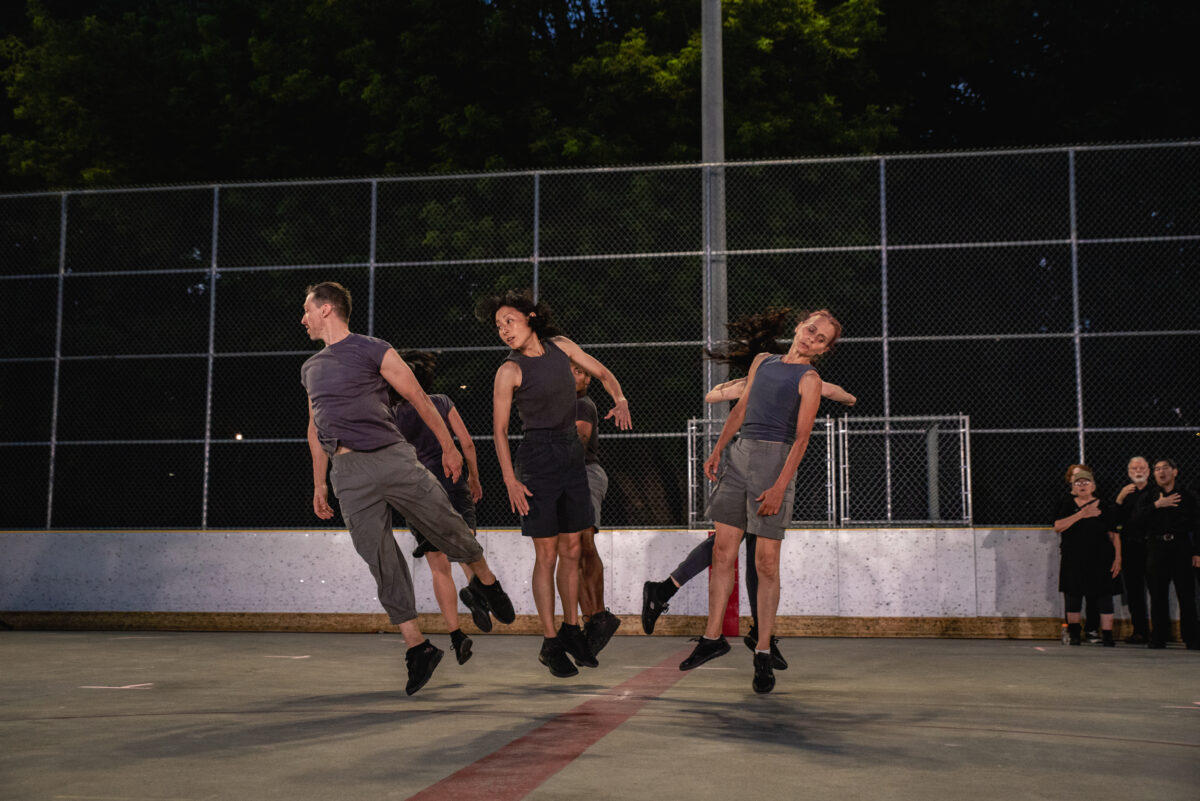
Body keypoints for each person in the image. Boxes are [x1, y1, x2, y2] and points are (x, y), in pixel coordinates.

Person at [301, 281, 514, 695]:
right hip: (347, 473)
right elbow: (315, 428)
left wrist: (451, 449)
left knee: (447, 526)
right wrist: (319, 482)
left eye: (307, 309)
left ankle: (486, 581)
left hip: (392, 458)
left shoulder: (373, 348)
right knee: (379, 559)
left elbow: (417, 396)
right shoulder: (310, 368)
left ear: (326, 309)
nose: (303, 318)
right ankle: (418, 648)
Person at [643, 307, 856, 675]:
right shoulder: (763, 361)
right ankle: (712, 640)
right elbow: (740, 409)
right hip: (739, 456)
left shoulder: (808, 378)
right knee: (723, 553)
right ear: (799, 327)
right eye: (810, 330)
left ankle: (762, 652)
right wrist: (717, 449)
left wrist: (778, 487)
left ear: (824, 350)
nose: (811, 338)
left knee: (766, 564)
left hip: (775, 462)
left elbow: (803, 438)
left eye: (821, 339)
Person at [477, 289, 632, 678]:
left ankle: (570, 627)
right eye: (498, 327)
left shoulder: (561, 347)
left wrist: (620, 397)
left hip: (570, 455)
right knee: (546, 555)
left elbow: (603, 372)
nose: (503, 331)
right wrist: (510, 479)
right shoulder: (509, 371)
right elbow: (498, 430)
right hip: (537, 456)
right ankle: (550, 642)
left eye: (508, 321)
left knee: (575, 547)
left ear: (530, 317)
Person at [390, 350, 498, 665]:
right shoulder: (441, 401)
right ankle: (477, 593)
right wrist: (474, 477)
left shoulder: (393, 413)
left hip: (419, 490)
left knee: (439, 567)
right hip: (453, 482)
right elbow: (466, 442)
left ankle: (456, 634)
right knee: (465, 549)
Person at [572, 360, 621, 655]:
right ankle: (590, 620)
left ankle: (599, 614)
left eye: (582, 372)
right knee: (571, 552)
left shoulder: (582, 405)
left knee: (584, 543)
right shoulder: (558, 404)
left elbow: (578, 445)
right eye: (572, 370)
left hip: (585, 473)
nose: (577, 376)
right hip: (566, 477)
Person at [1051, 464, 1122, 646]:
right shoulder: (1067, 504)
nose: (1082, 485)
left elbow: (1114, 534)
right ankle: (1075, 633)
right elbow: (1058, 526)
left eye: (1086, 482)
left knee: (1104, 595)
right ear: (1073, 486)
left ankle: (1106, 635)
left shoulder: (1105, 506)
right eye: (1078, 482)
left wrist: (1118, 558)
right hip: (1074, 557)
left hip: (1100, 557)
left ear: (1093, 486)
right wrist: (1082, 514)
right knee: (1073, 594)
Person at [1137, 458, 1199, 649]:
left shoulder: (1187, 496)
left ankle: (1192, 638)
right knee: (1157, 595)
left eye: (1165, 468)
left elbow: (1197, 524)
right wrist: (1158, 505)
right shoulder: (1149, 496)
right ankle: (1159, 637)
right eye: (1157, 469)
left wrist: (1197, 551)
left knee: (1186, 595)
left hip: (1181, 547)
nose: (1161, 472)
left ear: (1175, 472)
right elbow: (1135, 521)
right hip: (1156, 547)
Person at [1114, 456, 1153, 644]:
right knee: (1134, 591)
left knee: (1157, 590)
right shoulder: (1125, 492)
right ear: (1129, 472)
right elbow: (1114, 521)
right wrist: (1119, 499)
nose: (1138, 470)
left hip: (1152, 546)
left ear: (1148, 470)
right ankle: (1140, 631)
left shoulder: (1155, 491)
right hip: (1131, 547)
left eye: (1142, 467)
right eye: (1134, 468)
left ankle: (1160, 630)